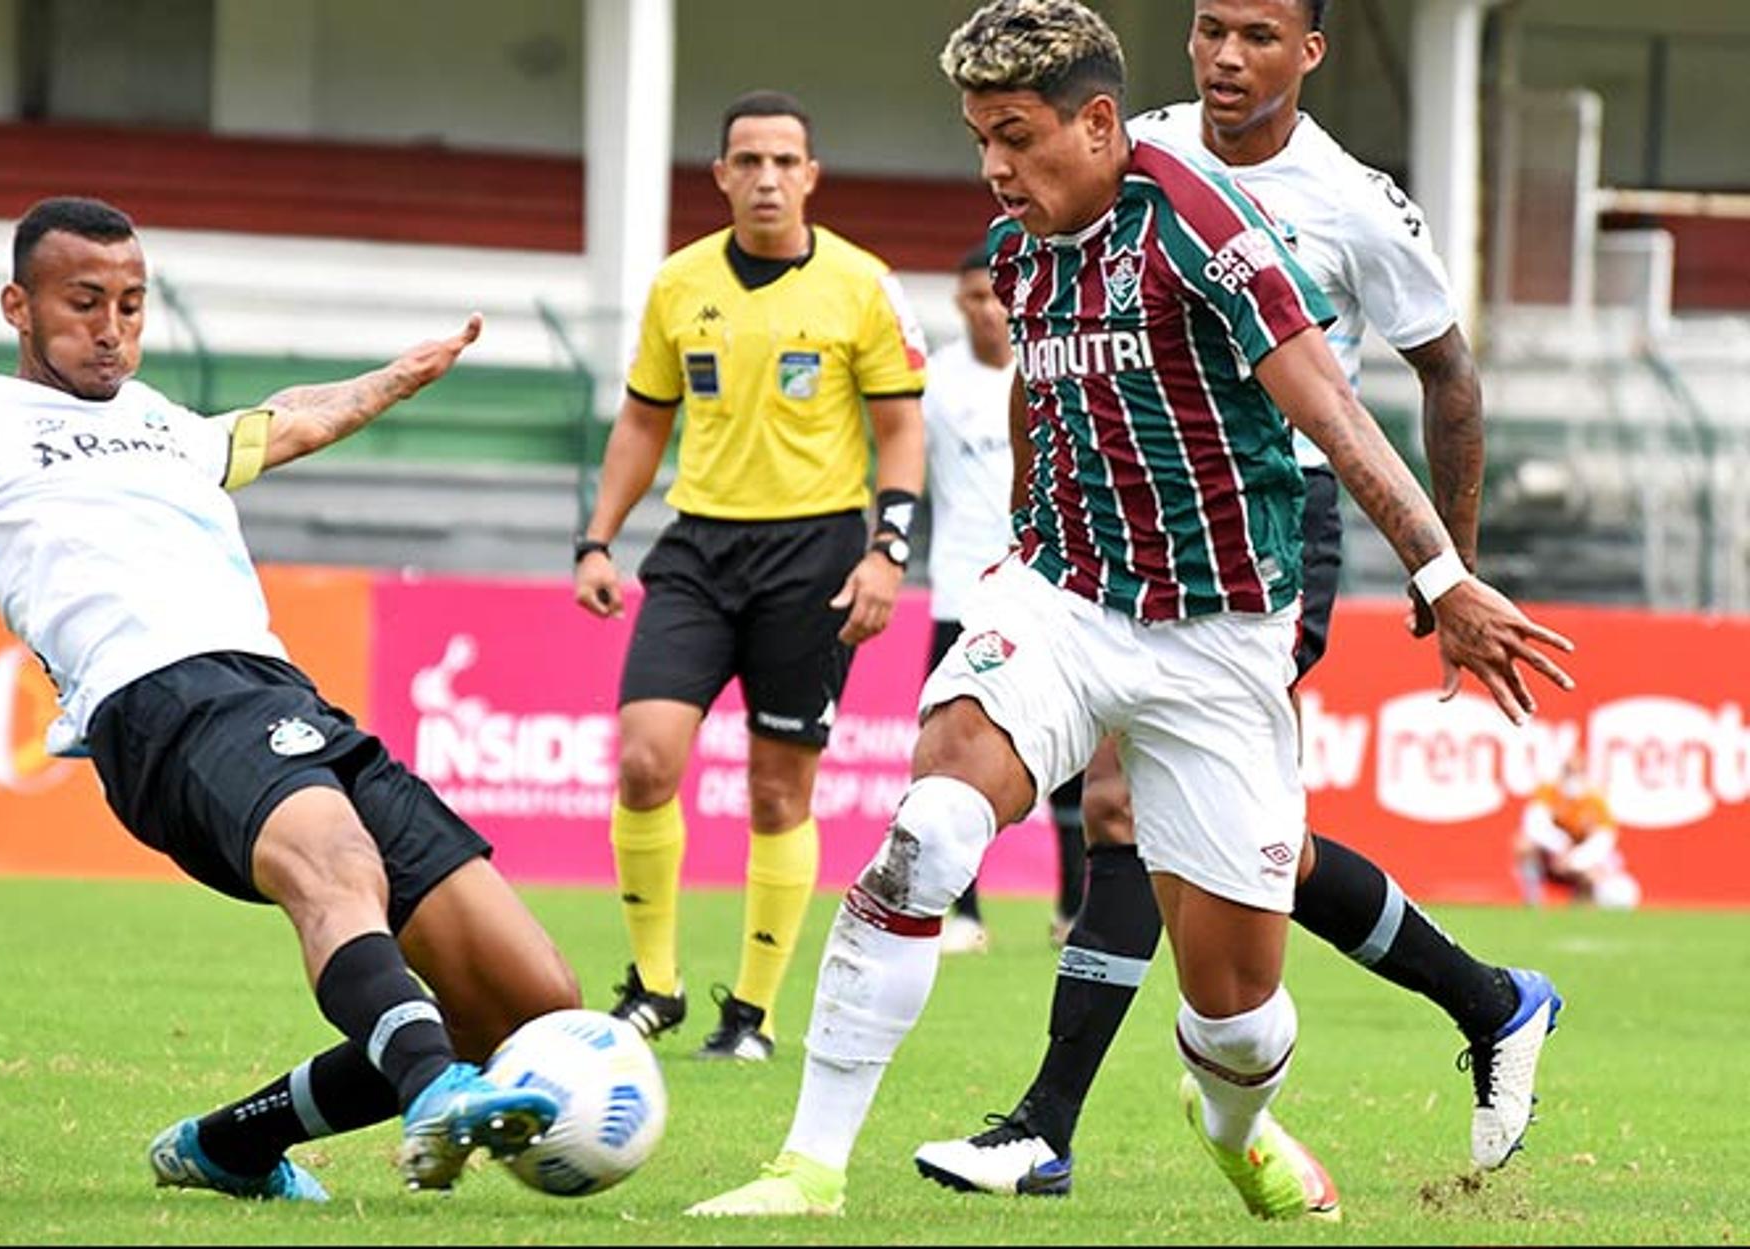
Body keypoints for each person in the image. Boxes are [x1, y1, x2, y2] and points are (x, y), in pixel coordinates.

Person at [685, 0, 1575, 1222]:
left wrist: (1443, 574)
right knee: (933, 824)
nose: (993, 167)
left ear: (1096, 126)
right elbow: (1027, 397)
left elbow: (1331, 403)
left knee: (1239, 1024)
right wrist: (1013, 552)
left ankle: (1243, 1125)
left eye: (1014, 137)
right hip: (1064, 597)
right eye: (977, 137)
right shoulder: (1022, 237)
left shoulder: (1208, 225)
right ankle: (809, 1168)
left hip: (1221, 628)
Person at [0, 196, 582, 1201]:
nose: (112, 329)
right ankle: (434, 1089)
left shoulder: (158, 423)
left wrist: (396, 379)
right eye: (84, 302)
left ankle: (230, 1145)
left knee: (528, 1002)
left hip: (279, 690)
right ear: (18, 304)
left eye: (133, 306)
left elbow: (289, 421)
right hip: (156, 705)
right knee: (338, 864)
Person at [573, 90, 927, 1063]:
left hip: (812, 555)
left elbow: (901, 431)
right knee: (646, 757)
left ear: (810, 175)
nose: (766, 177)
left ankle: (754, 1014)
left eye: (784, 161)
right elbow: (645, 419)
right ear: (721, 174)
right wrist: (596, 538)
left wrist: (887, 552)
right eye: (748, 161)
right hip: (698, 547)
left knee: (778, 793)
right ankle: (654, 985)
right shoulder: (677, 284)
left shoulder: (864, 284)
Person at [921, 244, 1088, 957]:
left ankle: (1074, 908)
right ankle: (963, 912)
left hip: (1047, 590)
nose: (985, 310)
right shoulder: (934, 383)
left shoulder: (1056, 367)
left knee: (1070, 763)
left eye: (994, 296)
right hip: (960, 589)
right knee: (952, 754)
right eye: (971, 299)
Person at [1516, 752, 1639, 909]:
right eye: (1569, 771)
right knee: (1524, 845)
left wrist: (1574, 859)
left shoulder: (1595, 801)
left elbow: (1603, 841)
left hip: (1581, 860)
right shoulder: (1548, 792)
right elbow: (1534, 826)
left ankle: (1581, 910)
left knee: (1599, 874)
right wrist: (1560, 846)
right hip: (1553, 856)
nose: (1573, 778)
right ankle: (1533, 903)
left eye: (1578, 772)